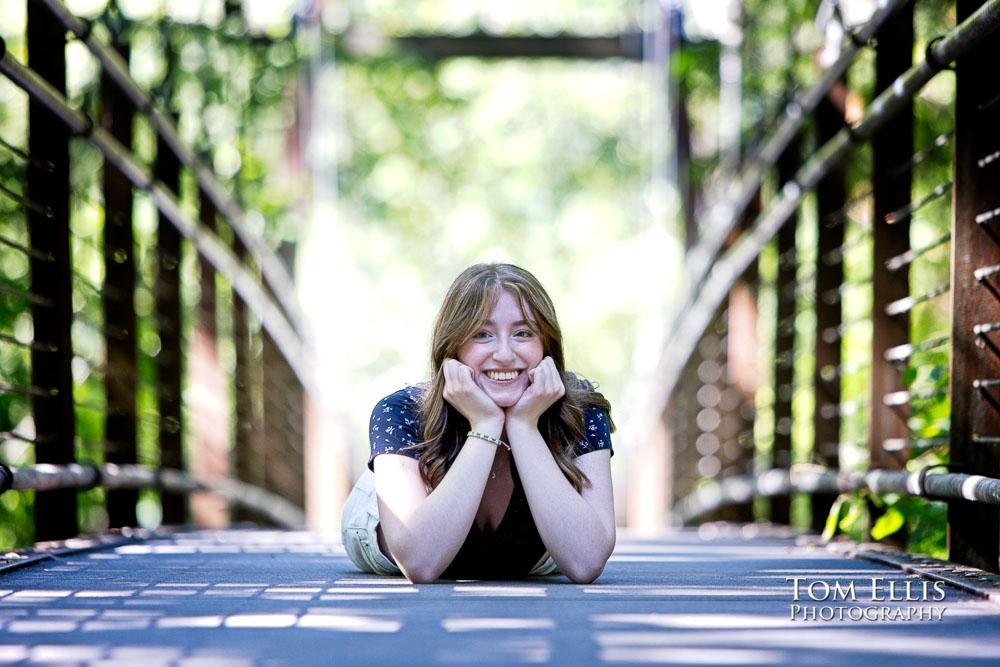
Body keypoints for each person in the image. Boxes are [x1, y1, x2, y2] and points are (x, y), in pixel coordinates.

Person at [341, 263, 615, 584]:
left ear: (547, 346)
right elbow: (420, 563)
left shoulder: (581, 410)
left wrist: (524, 426)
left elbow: (585, 563)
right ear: (453, 346)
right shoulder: (400, 411)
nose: (504, 354)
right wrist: (485, 425)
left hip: (528, 553)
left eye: (523, 333)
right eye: (481, 334)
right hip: (402, 520)